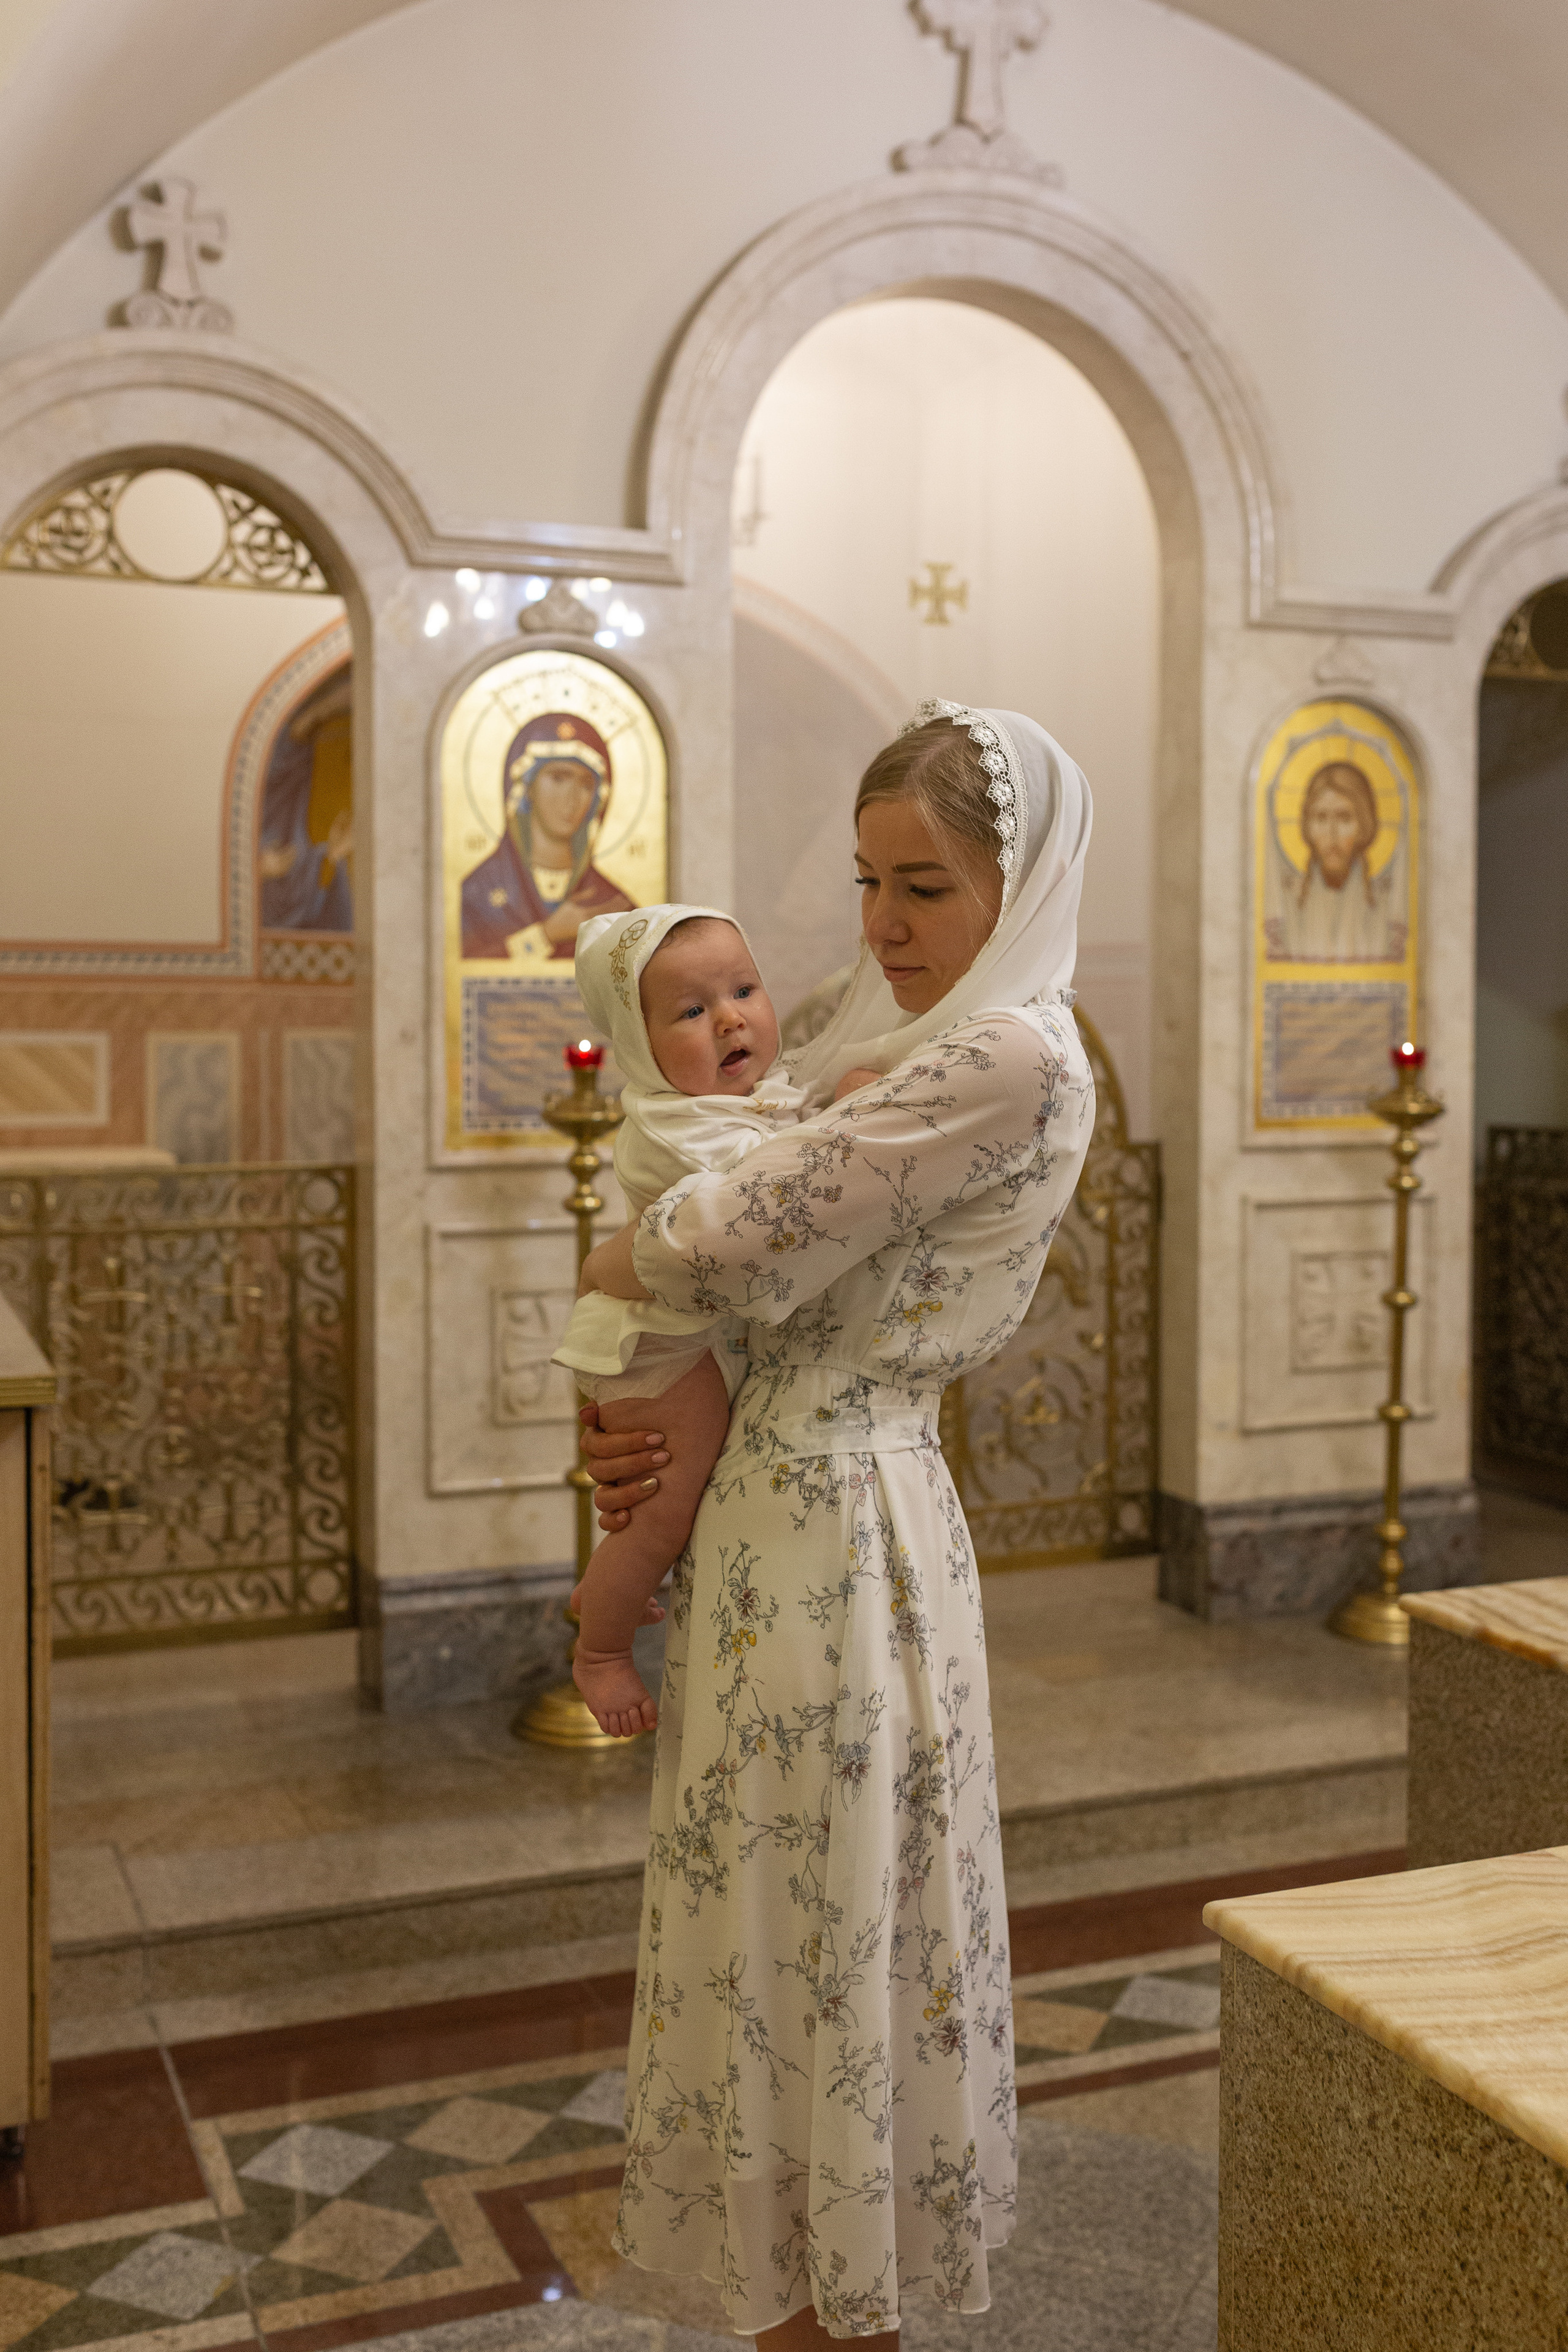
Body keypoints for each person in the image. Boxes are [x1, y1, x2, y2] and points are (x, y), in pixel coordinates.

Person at [575, 701, 1096, 2346]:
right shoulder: (939, 1046)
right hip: (794, 1508)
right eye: (869, 882)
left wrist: (618, 1260)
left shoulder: (1007, 1054)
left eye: (923, 887)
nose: (882, 924)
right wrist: (658, 1417)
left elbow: (722, 1229)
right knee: (786, 1926)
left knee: (818, 1925)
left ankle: (832, 2303)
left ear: (1021, 878)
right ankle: (803, 2299)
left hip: (836, 1527)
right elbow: (747, 1223)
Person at [552, 903, 809, 1738]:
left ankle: (612, 1584)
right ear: (641, 1047)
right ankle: (600, 1650)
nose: (731, 1019)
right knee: (664, 1509)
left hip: (686, 1333)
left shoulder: (742, 1099)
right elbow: (761, 1204)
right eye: (693, 1010)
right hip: (656, 1346)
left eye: (744, 990)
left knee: (657, 1508)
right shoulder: (673, 1127)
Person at [459, 711, 633, 959]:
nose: (572, 798)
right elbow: (462, 967)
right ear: (527, 787)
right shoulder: (477, 893)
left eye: (586, 784)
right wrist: (547, 935)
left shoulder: (612, 903)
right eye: (558, 778)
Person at [1264, 757, 1406, 963]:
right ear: (1308, 826)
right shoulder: (1286, 905)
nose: (1332, 833)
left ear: (1364, 826)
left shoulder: (1386, 908)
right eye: (1321, 818)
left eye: (1344, 818)